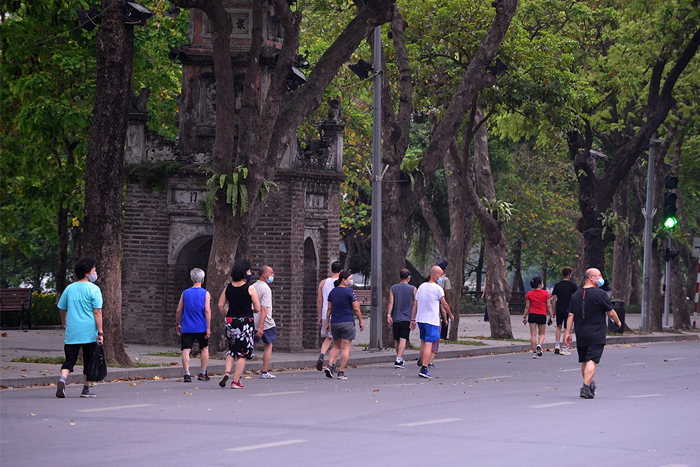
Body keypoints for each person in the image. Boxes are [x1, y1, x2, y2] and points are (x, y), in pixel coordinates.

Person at [565, 268, 621, 399]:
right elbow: (610, 312)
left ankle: (588, 384)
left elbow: (570, 315)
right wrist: (618, 321)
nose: (601, 278)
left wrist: (567, 333)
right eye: (599, 275)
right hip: (596, 333)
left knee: (584, 360)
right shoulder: (600, 294)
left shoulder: (577, 294)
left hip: (581, 332)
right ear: (591, 278)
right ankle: (585, 387)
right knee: (592, 360)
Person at [56, 257, 104, 398]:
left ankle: (62, 379)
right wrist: (100, 331)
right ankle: (85, 389)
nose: (95, 272)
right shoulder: (94, 289)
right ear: (88, 273)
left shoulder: (69, 288)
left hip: (73, 331)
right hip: (89, 331)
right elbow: (97, 311)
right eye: (94, 270)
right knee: (88, 360)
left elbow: (61, 307)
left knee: (70, 359)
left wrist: (64, 321)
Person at [218, 261, 260, 389]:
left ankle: (227, 371)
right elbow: (257, 308)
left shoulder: (228, 287)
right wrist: (249, 310)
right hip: (245, 322)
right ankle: (235, 381)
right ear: (243, 273)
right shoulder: (250, 288)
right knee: (243, 352)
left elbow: (220, 305)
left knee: (232, 348)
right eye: (248, 271)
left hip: (231, 320)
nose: (250, 274)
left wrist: (226, 316)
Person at [410, 265, 451, 379]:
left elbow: (415, 304)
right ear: (434, 275)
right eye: (441, 275)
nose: (442, 277)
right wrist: (450, 314)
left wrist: (413, 319)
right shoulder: (438, 288)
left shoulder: (421, 287)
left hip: (421, 319)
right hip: (432, 320)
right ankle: (424, 367)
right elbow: (444, 304)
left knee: (423, 341)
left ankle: (423, 360)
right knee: (429, 343)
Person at [324, 270, 364, 380]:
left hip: (335, 322)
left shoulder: (332, 292)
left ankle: (330, 365)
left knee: (336, 346)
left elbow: (329, 309)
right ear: (344, 280)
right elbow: (356, 308)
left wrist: (327, 323)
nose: (351, 281)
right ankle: (341, 372)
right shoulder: (349, 292)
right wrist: (360, 321)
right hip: (347, 321)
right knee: (346, 348)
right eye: (350, 279)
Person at [175, 268, 211, 382]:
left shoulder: (185, 293)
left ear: (191, 278)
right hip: (201, 326)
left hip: (187, 326)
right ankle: (203, 373)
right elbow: (207, 310)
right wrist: (208, 327)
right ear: (203, 279)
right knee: (204, 348)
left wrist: (178, 323)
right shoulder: (205, 293)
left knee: (186, 349)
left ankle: (186, 374)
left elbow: (178, 310)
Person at [316, 260, 343, 371]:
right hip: (337, 314)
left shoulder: (323, 282)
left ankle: (322, 354)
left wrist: (319, 315)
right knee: (338, 342)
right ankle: (332, 364)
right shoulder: (342, 283)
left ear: (331, 270)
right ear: (341, 271)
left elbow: (319, 300)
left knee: (328, 338)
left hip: (324, 313)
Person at [387, 268, 416, 369]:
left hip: (396, 317)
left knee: (397, 339)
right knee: (403, 338)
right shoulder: (413, 289)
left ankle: (399, 357)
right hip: (407, 317)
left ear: (399, 277)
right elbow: (416, 302)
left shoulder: (393, 288)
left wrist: (389, 315)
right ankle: (399, 359)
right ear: (409, 277)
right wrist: (414, 317)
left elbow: (391, 302)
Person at [252, 265, 276, 379]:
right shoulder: (266, 289)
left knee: (247, 345)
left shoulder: (252, 287)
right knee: (268, 346)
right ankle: (265, 371)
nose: (272, 275)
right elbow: (264, 309)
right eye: (271, 273)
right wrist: (261, 327)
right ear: (264, 275)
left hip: (252, 320)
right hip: (265, 322)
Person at [522, 276, 553, 358]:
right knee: (542, 333)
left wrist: (524, 317)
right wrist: (551, 316)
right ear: (540, 284)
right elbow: (549, 306)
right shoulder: (546, 293)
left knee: (533, 334)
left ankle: (534, 353)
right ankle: (539, 344)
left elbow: (527, 307)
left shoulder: (529, 294)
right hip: (542, 314)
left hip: (532, 314)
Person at [550, 267, 578, 355]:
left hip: (559, 308)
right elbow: (574, 297)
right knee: (567, 328)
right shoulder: (573, 286)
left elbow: (554, 298)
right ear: (570, 275)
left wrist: (553, 309)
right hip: (569, 309)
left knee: (558, 326)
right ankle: (564, 348)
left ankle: (557, 344)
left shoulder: (557, 285)